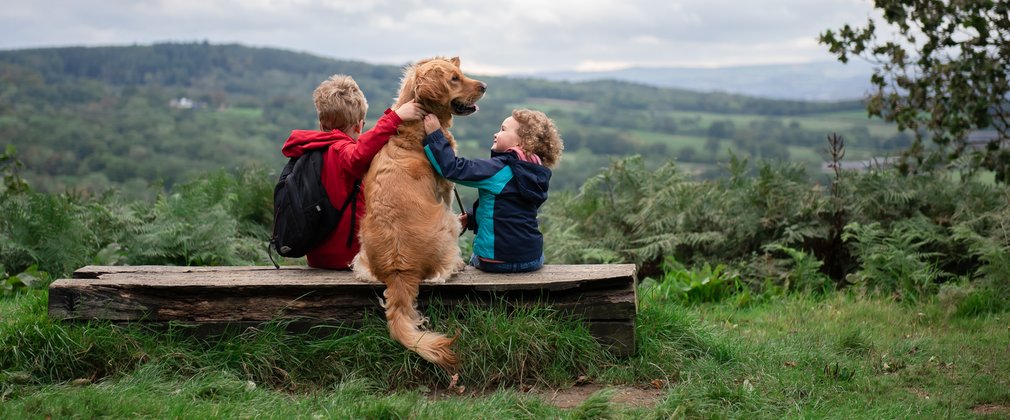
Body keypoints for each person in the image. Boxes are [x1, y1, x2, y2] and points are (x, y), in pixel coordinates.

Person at [281, 74, 425, 269]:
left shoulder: (311, 150)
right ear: (359, 126)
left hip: (317, 257)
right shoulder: (340, 151)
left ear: (322, 125)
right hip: (349, 259)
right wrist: (395, 118)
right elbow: (359, 155)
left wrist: (394, 112)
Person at [421, 109, 564, 273]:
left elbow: (453, 169)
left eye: (503, 129)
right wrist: (472, 217)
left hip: (498, 260)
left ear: (521, 143)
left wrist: (434, 136)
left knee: (471, 259)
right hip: (532, 258)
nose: (496, 134)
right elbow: (511, 207)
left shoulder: (501, 169)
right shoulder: (535, 172)